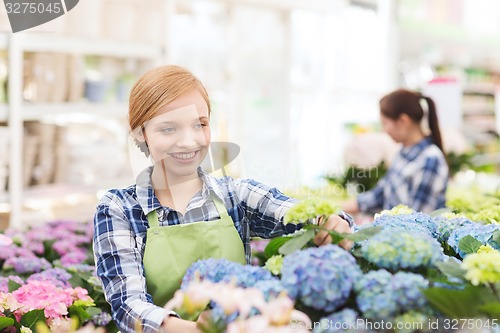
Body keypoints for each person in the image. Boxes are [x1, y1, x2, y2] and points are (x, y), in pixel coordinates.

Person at [93, 65, 354, 333]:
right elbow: (128, 305)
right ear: (140, 133)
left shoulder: (236, 195)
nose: (189, 141)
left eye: (200, 125)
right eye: (169, 129)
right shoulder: (120, 208)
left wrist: (331, 222)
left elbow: (295, 213)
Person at [342, 89, 449, 216]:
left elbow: (418, 219)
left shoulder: (430, 159)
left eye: (385, 123)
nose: (384, 130)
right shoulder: (403, 152)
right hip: (392, 232)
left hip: (411, 234)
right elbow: (381, 193)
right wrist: (338, 208)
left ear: (403, 121)